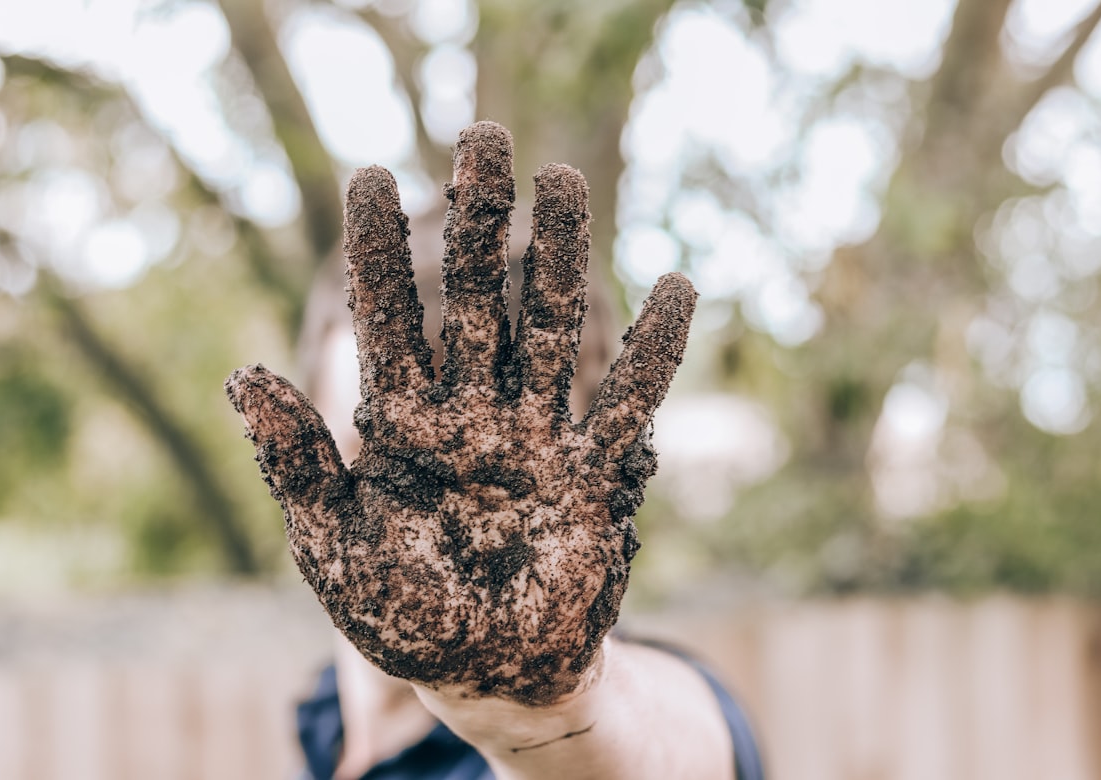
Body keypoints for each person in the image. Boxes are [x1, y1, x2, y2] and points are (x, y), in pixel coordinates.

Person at [226, 121, 764, 780]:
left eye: (505, 474)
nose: (435, 524)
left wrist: (545, 716)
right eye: (372, 452)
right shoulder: (322, 722)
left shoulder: (620, 711)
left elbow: (662, 752)